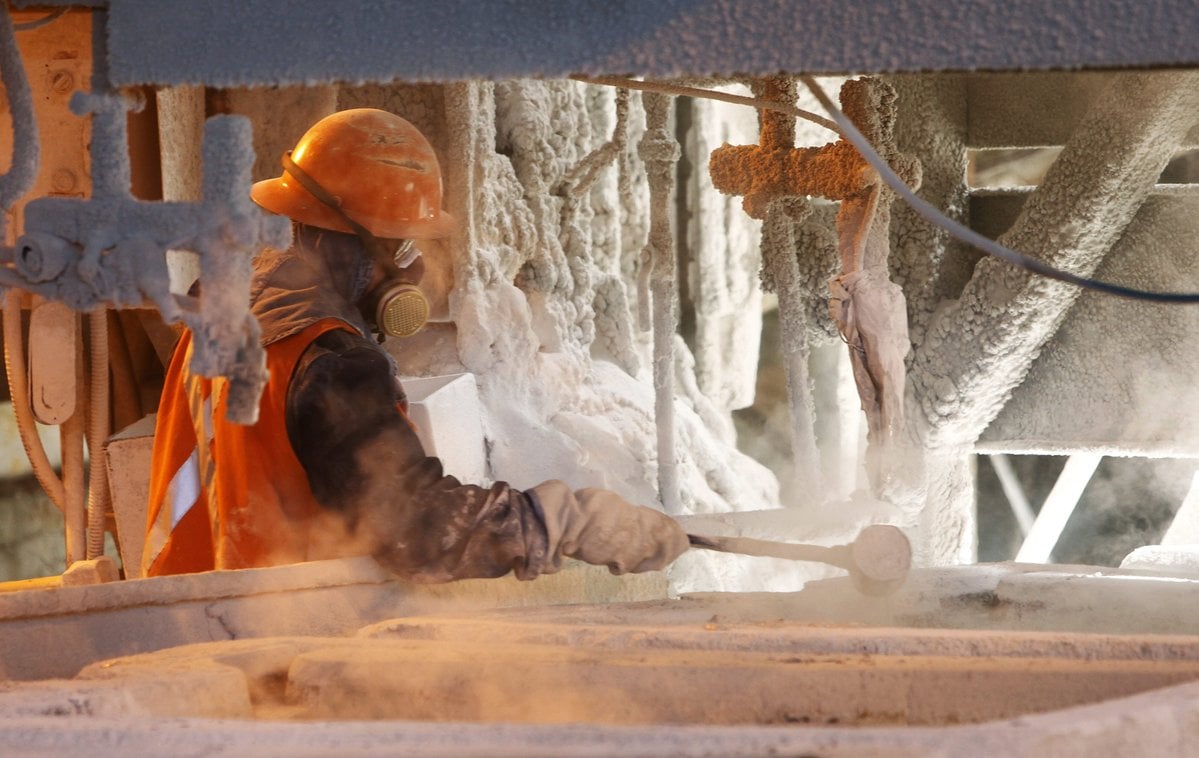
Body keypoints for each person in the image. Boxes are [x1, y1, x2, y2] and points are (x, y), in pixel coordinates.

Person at [141, 108, 689, 581]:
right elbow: (414, 527)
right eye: (400, 241)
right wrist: (568, 522)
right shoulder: (329, 358)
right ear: (354, 238)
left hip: (186, 610)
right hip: (280, 632)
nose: (411, 266)